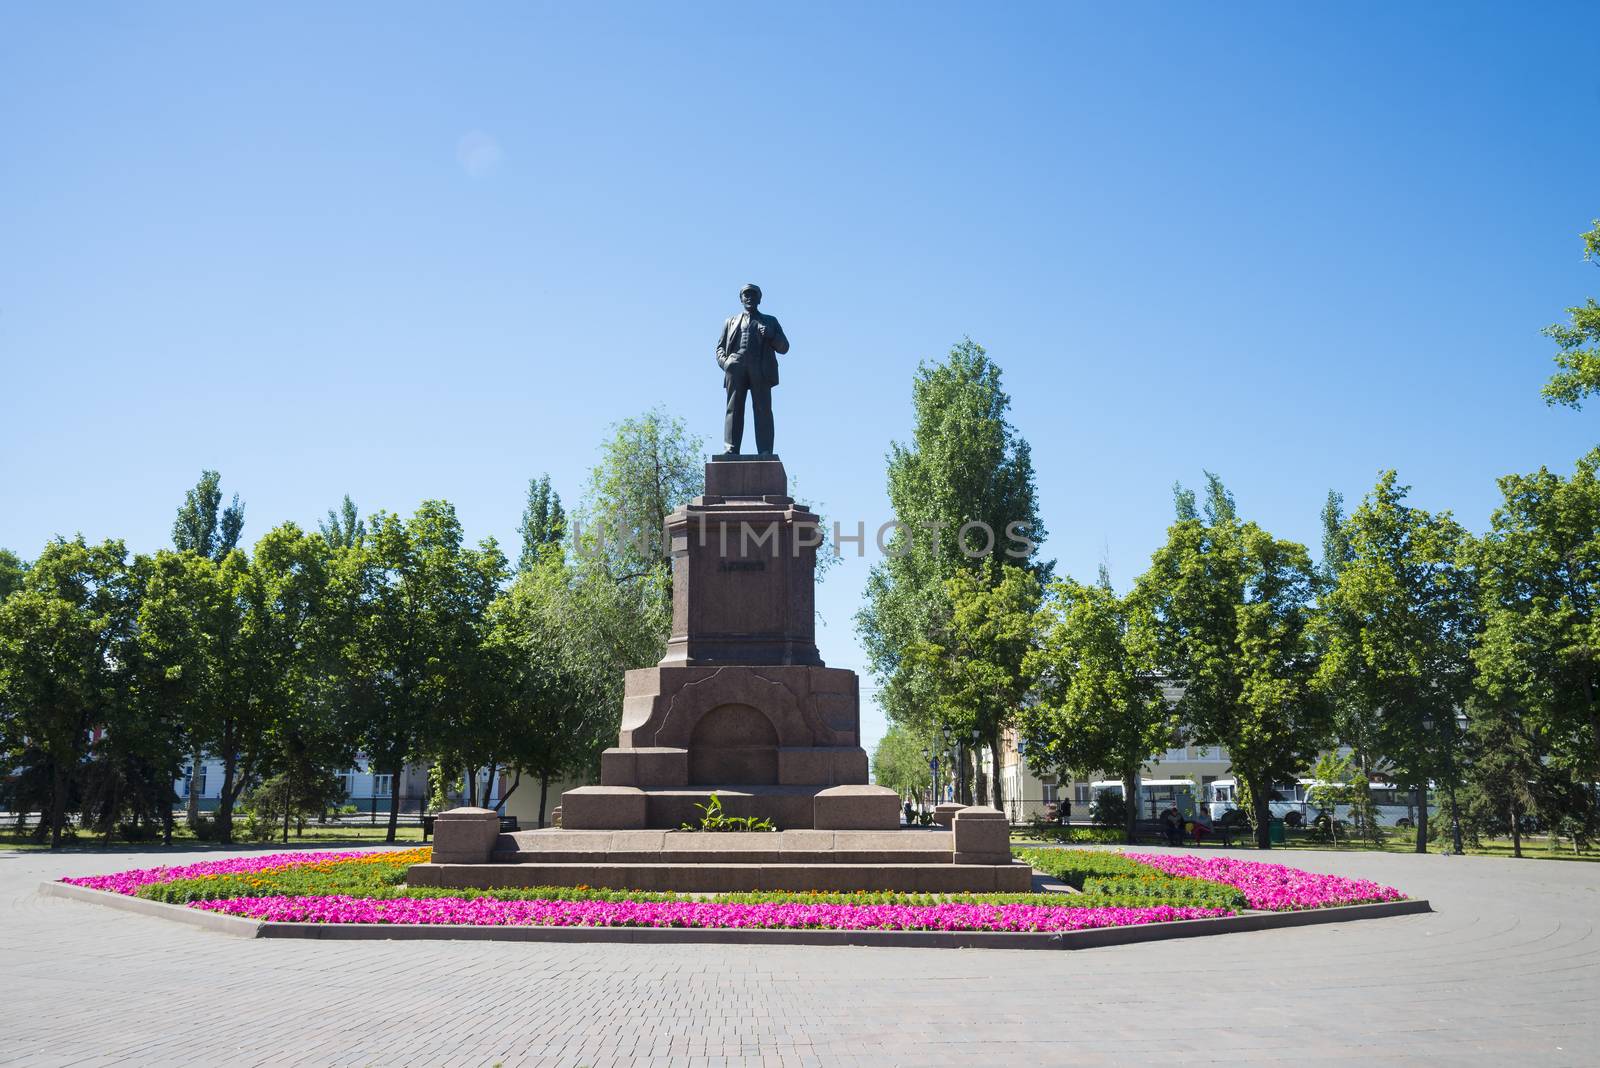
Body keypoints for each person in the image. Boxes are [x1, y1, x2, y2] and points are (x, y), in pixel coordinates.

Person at [715, 283, 790, 455]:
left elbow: (784, 347)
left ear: (760, 299)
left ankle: (765, 451)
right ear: (741, 299)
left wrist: (771, 335)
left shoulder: (770, 321)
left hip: (761, 368)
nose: (749, 298)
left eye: (753, 295)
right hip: (736, 366)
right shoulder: (730, 321)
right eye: (746, 295)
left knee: (763, 410)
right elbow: (719, 348)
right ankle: (730, 449)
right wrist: (726, 363)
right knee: (733, 409)